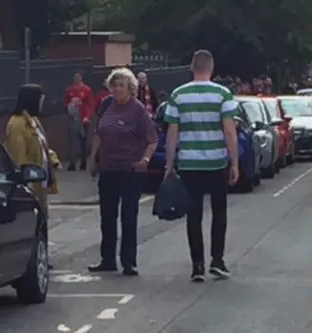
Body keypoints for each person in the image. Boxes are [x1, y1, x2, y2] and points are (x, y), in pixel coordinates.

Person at [163, 49, 239, 282]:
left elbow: (172, 133)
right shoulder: (223, 94)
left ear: (192, 67)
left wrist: (169, 163)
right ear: (212, 67)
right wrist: (234, 161)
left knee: (193, 215)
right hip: (216, 161)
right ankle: (217, 260)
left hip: (189, 162)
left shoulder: (178, 95)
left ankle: (197, 265)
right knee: (219, 211)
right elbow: (229, 130)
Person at [87, 68, 158, 276]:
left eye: (121, 86)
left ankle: (129, 261)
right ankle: (107, 258)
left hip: (130, 169)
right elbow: (99, 133)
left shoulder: (137, 111)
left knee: (128, 215)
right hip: (108, 167)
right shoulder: (106, 105)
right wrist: (93, 158)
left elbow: (152, 139)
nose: (117, 89)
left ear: (130, 88)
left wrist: (145, 159)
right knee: (107, 214)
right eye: (114, 85)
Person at [5, 84, 60, 269]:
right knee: (33, 221)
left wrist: (52, 159)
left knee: (42, 220)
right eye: (40, 99)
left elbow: (43, 145)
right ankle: (32, 259)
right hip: (31, 181)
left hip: (41, 180)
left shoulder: (34, 121)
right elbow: (18, 155)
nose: (42, 103)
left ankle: (40, 257)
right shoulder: (17, 124)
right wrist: (23, 177)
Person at [63, 70, 95, 171]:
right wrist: (69, 108)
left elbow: (90, 104)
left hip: (83, 118)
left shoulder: (86, 90)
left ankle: (83, 162)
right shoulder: (69, 90)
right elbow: (65, 103)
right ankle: (72, 163)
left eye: (78, 77)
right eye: (75, 77)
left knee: (83, 141)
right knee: (73, 140)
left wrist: (88, 117)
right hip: (73, 118)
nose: (77, 78)